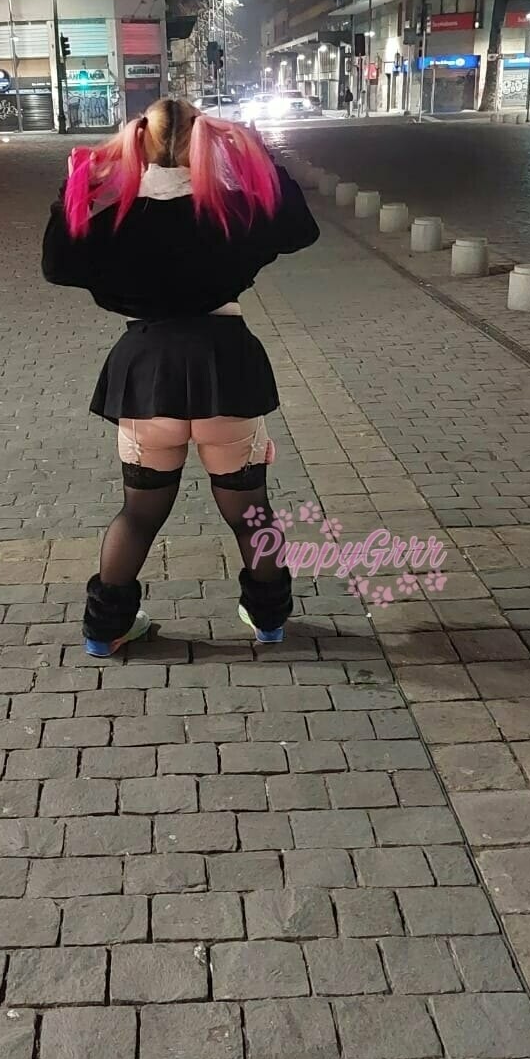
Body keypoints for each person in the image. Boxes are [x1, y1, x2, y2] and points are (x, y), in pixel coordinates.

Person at [42, 97, 320, 656]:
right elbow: (300, 229)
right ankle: (268, 620)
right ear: (206, 140)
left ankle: (106, 629)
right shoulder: (231, 211)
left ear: (137, 141)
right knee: (250, 513)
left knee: (139, 513)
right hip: (226, 367)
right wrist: (262, 159)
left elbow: (57, 265)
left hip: (147, 372)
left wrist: (76, 186)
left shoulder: (118, 217)